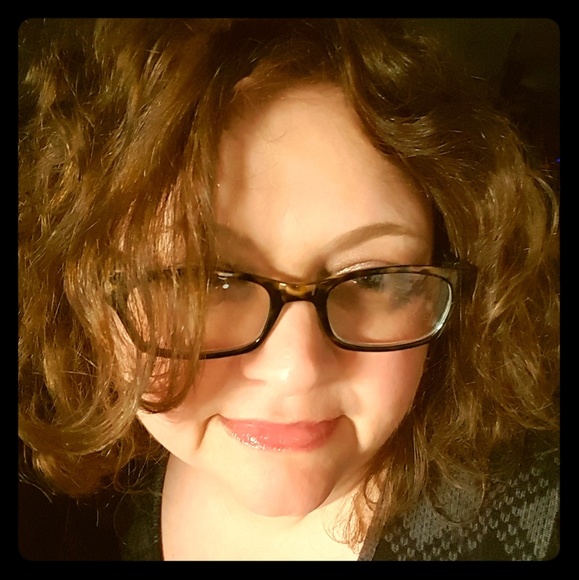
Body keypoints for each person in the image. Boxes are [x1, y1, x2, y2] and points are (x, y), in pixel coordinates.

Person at [18, 18, 559, 561]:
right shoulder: (90, 498)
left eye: (372, 277)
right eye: (201, 279)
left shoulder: (533, 520)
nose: (295, 370)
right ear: (85, 291)